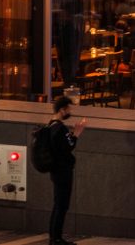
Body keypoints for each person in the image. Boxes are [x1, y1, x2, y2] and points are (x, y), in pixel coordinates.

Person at [42, 95, 84, 245]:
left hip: (56, 170)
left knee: (58, 204)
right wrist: (77, 134)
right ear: (62, 110)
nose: (70, 112)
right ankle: (56, 239)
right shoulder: (59, 128)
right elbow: (68, 147)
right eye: (68, 109)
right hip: (62, 171)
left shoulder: (51, 125)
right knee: (62, 205)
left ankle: (55, 237)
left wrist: (72, 136)